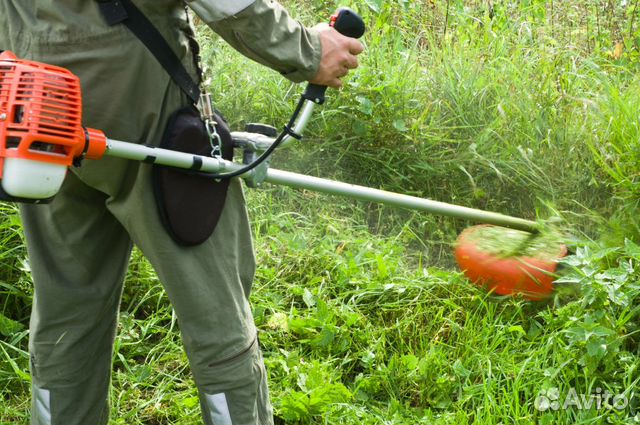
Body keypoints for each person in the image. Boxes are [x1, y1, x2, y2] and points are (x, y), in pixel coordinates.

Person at [0, 1, 363, 424]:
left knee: (67, 310)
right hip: (138, 98)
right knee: (216, 312)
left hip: (34, 97)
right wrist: (308, 50)